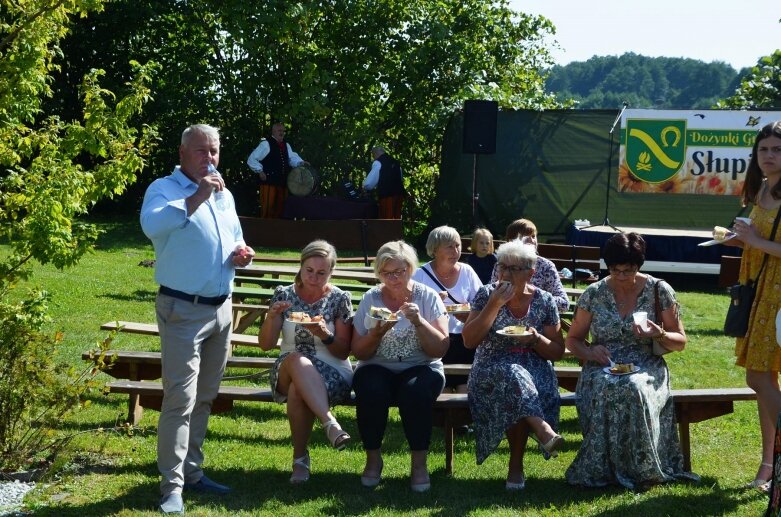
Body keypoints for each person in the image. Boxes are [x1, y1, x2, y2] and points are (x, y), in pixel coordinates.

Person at [140, 124, 255, 514]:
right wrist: (197, 196)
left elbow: (235, 237)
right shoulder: (164, 189)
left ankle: (192, 473)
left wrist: (242, 253)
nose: (210, 158)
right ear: (183, 152)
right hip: (182, 310)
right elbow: (152, 226)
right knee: (180, 399)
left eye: (215, 151)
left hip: (222, 309)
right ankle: (171, 488)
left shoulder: (225, 194)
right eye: (202, 151)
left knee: (204, 397)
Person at [564, 232, 696, 490]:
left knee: (634, 388)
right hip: (603, 363)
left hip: (646, 363)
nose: (622, 276)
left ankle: (643, 469)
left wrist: (658, 333)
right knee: (605, 385)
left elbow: (680, 341)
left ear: (639, 265)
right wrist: (591, 353)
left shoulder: (659, 290)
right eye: (615, 270)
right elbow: (573, 340)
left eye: (628, 270)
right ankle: (602, 467)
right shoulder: (594, 293)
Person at [461, 240, 565, 490]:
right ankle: (541, 431)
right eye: (502, 267)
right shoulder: (487, 294)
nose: (505, 274)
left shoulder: (545, 301)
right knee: (513, 375)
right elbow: (469, 340)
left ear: (531, 273)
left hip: (535, 368)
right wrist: (494, 305)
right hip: (490, 366)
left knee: (517, 380)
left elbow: (557, 351)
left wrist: (536, 338)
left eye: (513, 269)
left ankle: (516, 465)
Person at [351, 240, 449, 491]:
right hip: (377, 365)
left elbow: (440, 348)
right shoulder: (371, 298)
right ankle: (373, 459)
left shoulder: (427, 297)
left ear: (410, 268)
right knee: (370, 386)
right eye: (386, 273)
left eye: (399, 272)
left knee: (415, 390)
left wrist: (419, 322)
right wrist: (375, 334)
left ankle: (419, 464)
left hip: (422, 365)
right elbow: (358, 351)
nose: (393, 278)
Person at [258, 240, 354, 484]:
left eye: (322, 273)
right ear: (300, 267)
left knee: (297, 390)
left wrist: (325, 334)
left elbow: (343, 351)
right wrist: (271, 317)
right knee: (296, 360)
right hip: (287, 367)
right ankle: (329, 423)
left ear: (331, 272)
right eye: (309, 270)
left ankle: (300, 459)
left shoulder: (339, 298)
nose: (314, 277)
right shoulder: (284, 294)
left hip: (331, 369)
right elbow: (266, 344)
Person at [728, 121, 781, 491]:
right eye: (764, 149)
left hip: (779, 295)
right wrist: (740, 240)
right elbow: (759, 240)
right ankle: (768, 466)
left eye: (777, 149)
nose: (769, 156)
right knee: (764, 377)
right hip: (758, 290)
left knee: (758, 376)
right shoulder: (761, 188)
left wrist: (755, 241)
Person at [412, 225, 482, 392]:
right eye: (449, 246)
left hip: (464, 340)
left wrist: (469, 315)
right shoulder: (419, 275)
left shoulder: (467, 271)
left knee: (465, 388)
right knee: (440, 388)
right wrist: (433, 305)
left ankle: (460, 417)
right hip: (433, 340)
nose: (455, 250)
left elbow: (481, 303)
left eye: (458, 245)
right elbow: (409, 308)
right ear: (434, 250)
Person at [494, 219, 570, 313]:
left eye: (533, 236)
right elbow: (491, 293)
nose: (531, 240)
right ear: (511, 241)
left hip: (538, 323)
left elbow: (564, 304)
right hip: (504, 322)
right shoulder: (502, 264)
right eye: (525, 237)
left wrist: (532, 300)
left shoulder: (546, 266)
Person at [246, 122, 307, 219]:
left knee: (282, 211)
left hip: (283, 183)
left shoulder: (286, 145)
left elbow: (292, 158)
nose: (282, 133)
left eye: (283, 131)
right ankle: (265, 231)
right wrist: (260, 171)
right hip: (269, 182)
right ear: (273, 131)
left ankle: (280, 233)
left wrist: (301, 162)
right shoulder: (266, 144)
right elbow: (252, 159)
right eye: (279, 131)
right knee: (268, 210)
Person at [362, 146, 405, 219]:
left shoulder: (378, 162)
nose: (373, 158)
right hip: (398, 195)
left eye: (373, 155)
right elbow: (400, 178)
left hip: (386, 196)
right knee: (396, 220)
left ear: (375, 154)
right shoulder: (396, 162)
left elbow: (368, 184)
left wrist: (365, 188)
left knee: (386, 221)